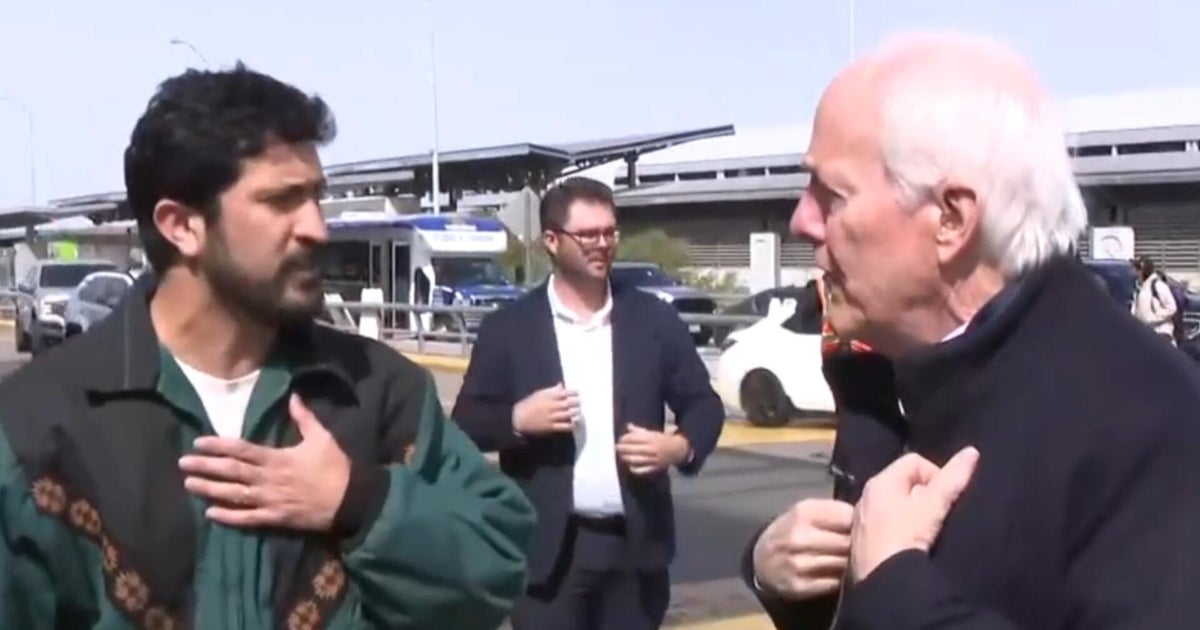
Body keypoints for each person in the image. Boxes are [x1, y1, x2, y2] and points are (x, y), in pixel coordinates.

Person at [0, 64, 535, 629]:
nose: (317, 229)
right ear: (182, 226)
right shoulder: (43, 423)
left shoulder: (377, 393)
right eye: (283, 200)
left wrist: (361, 503)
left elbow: (497, 565)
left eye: (316, 198)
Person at [742, 31, 1200, 629]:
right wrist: (777, 574)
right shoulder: (888, 381)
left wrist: (893, 584)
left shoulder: (1151, 427)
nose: (801, 221)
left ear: (951, 220)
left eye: (831, 195)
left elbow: (901, 594)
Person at [452, 176, 725, 630]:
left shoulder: (653, 319)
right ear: (552, 241)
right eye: (589, 235)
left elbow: (704, 405)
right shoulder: (509, 329)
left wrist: (678, 447)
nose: (603, 245)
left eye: (610, 232)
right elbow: (465, 422)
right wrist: (518, 419)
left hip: (635, 553)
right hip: (548, 556)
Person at [1131, 255, 1179, 344]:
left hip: (1160, 333)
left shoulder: (1158, 285)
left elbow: (1171, 307)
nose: (1133, 272)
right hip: (1145, 335)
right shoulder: (1139, 288)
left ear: (1142, 270)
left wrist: (1153, 318)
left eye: (1136, 269)